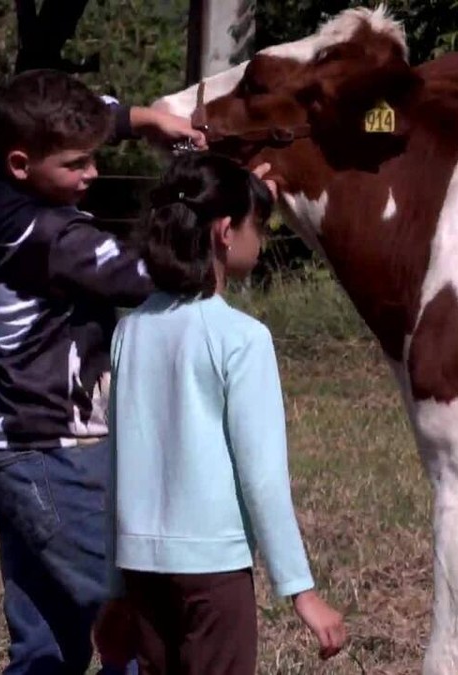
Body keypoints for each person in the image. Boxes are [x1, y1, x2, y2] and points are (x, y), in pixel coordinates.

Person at [0, 68, 205, 675]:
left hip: (10, 443)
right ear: (23, 163)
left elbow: (87, 113)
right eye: (77, 164)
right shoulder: (50, 236)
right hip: (53, 450)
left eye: (95, 156)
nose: (92, 174)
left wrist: (144, 119)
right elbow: (153, 274)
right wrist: (218, 209)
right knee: (130, 621)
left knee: (47, 641)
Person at [108, 152, 347, 674]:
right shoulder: (243, 339)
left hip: (140, 572)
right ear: (224, 232)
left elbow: (115, 463)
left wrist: (113, 586)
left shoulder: (129, 331)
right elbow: (262, 478)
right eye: (256, 225)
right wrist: (301, 591)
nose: (259, 238)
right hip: (214, 575)